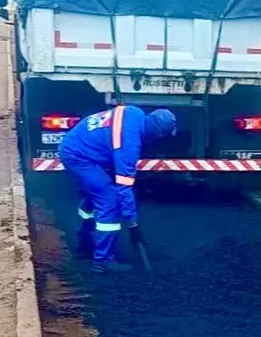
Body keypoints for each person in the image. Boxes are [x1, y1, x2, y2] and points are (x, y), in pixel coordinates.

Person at [58, 105, 177, 273]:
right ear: (156, 134)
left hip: (82, 146)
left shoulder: (135, 112)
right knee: (109, 201)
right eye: (162, 137)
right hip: (79, 157)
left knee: (95, 196)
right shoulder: (129, 145)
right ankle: (103, 261)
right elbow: (123, 188)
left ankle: (85, 246)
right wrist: (133, 223)